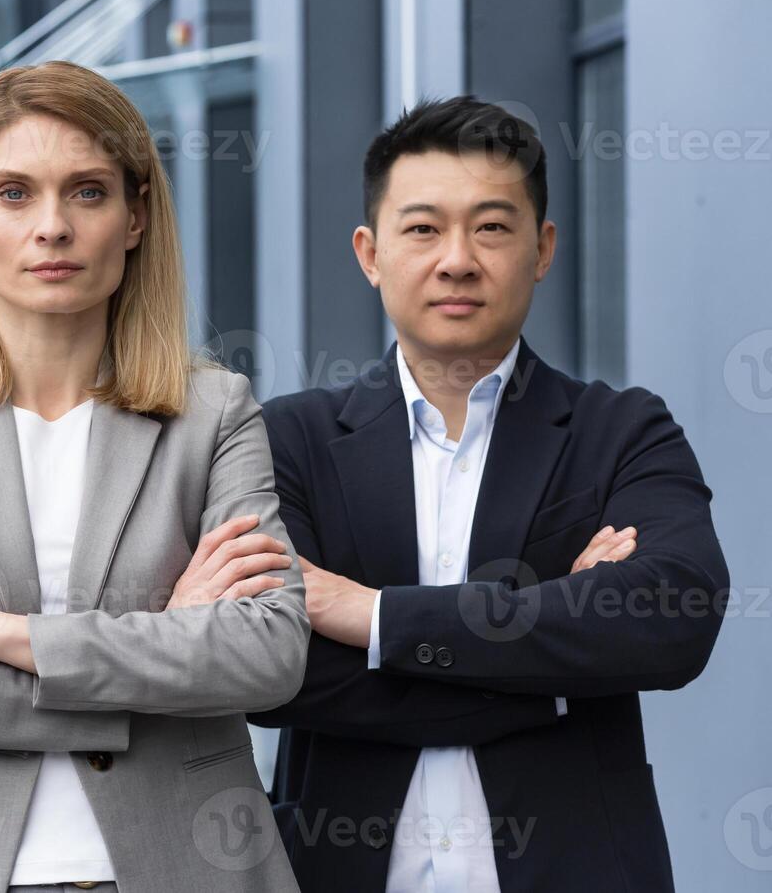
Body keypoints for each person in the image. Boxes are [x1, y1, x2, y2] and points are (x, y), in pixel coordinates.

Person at [0, 60, 311, 892]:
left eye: (87, 191)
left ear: (136, 218)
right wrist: (158, 652)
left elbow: (265, 655)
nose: (52, 226)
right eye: (15, 193)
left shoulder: (214, 413)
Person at [252, 96, 729, 892]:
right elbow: (270, 674)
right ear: (370, 253)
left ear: (542, 248)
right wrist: (558, 672)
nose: (458, 259)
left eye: (493, 227)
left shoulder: (619, 431)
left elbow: (672, 618)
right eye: (423, 228)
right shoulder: (286, 441)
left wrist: (371, 617)